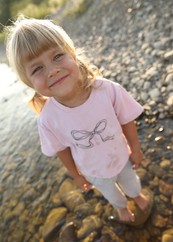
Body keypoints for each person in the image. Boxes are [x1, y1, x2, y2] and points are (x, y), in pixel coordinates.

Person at [5, 15, 150, 223]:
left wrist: (135, 148)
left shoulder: (106, 90)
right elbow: (61, 150)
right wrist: (76, 174)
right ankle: (121, 208)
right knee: (112, 195)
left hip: (121, 156)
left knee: (132, 183)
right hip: (93, 171)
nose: (53, 70)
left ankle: (137, 196)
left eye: (57, 56)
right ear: (30, 83)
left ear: (72, 55)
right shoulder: (48, 120)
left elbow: (127, 119)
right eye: (37, 68)